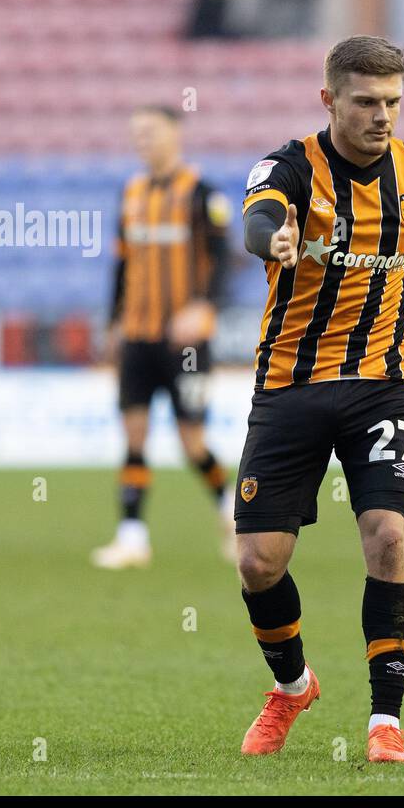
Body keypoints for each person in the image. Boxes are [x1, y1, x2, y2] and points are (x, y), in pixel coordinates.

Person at [234, 35, 404, 763]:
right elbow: (256, 216)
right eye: (367, 102)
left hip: (382, 386)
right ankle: (291, 687)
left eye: (394, 102)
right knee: (258, 563)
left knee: (389, 537)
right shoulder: (288, 166)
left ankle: (385, 722)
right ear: (329, 101)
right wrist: (269, 242)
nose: (383, 116)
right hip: (290, 385)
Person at [92, 106, 235, 569]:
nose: (143, 140)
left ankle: (230, 506)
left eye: (151, 131)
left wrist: (204, 306)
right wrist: (113, 322)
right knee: (133, 434)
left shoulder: (202, 194)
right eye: (136, 133)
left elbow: (223, 259)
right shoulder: (131, 193)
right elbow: (121, 264)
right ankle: (132, 536)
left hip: (186, 342)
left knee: (191, 441)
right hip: (137, 334)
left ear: (175, 134)